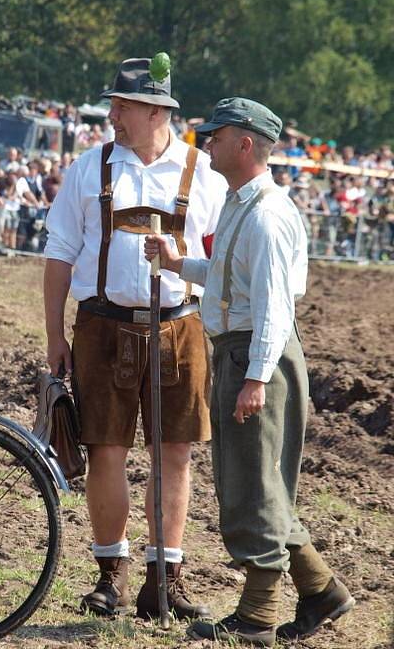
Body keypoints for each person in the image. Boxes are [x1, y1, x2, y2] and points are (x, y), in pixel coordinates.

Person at [145, 97, 355, 646]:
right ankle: (322, 593)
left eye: (216, 136)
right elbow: (226, 275)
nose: (206, 144)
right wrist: (177, 263)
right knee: (260, 484)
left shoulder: (264, 214)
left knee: (254, 488)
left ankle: (257, 618)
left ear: (245, 144)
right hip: (244, 352)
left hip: (256, 354)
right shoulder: (244, 203)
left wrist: (257, 377)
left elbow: (272, 308)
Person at [44, 56, 226, 621]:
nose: (112, 115)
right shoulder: (89, 167)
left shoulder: (204, 175)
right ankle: (110, 575)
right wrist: (55, 334)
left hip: (179, 326)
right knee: (105, 449)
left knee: (175, 453)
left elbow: (220, 261)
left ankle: (164, 579)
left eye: (121, 106)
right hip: (101, 325)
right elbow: (58, 254)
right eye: (113, 105)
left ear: (156, 111)